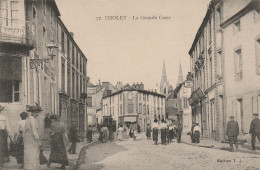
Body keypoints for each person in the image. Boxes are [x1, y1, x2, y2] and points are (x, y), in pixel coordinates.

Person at [24, 105, 41, 170]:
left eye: (38, 112)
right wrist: (38, 141)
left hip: (27, 140)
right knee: (33, 155)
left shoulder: (28, 119)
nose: (37, 114)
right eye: (36, 112)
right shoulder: (33, 120)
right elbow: (34, 131)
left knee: (28, 155)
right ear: (32, 112)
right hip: (32, 140)